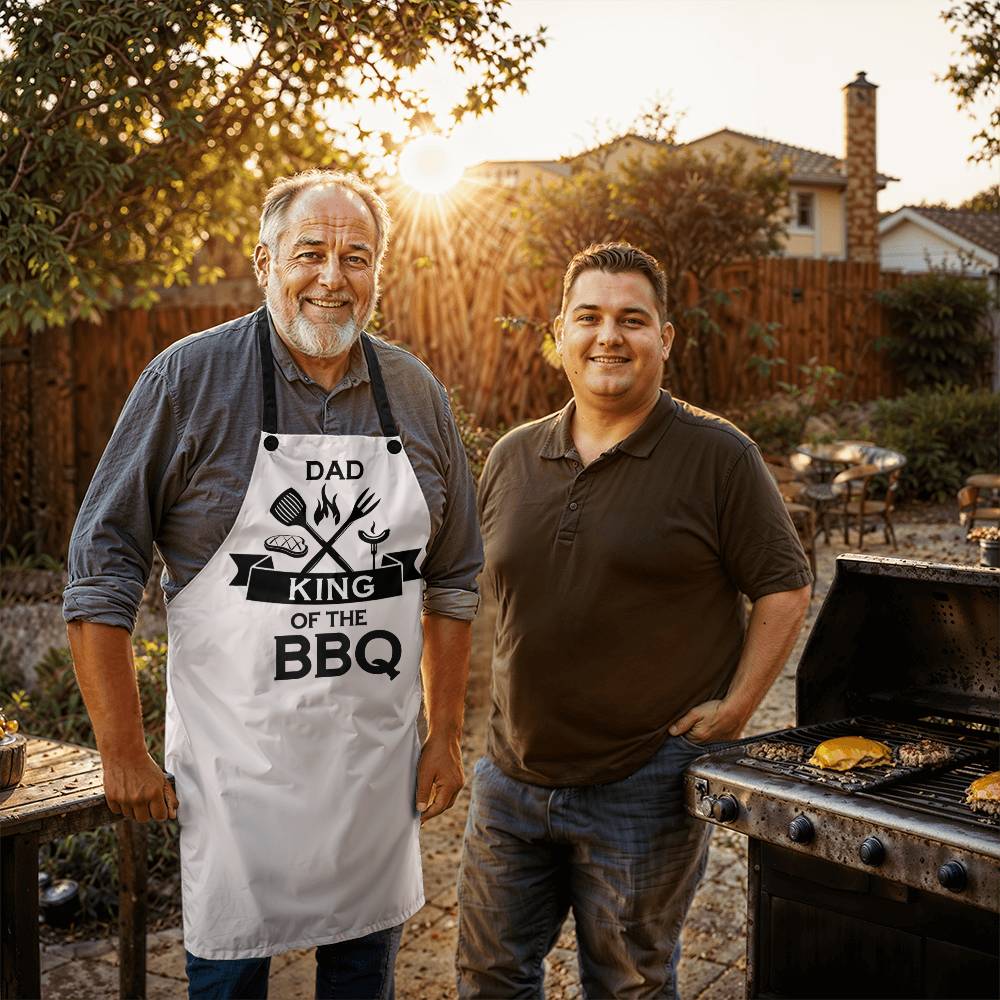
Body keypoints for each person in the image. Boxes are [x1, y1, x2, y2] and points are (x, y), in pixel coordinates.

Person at [64, 169, 483, 999]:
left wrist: (444, 733)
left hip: (369, 778)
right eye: (311, 253)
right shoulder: (187, 382)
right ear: (264, 263)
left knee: (363, 976)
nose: (333, 278)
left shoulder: (415, 393)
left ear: (378, 274)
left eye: (356, 257)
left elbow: (454, 574)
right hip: (237, 781)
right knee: (227, 981)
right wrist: (122, 749)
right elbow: (102, 563)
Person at [456, 242, 812, 999]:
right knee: (489, 978)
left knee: (628, 985)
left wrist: (739, 706)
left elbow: (785, 586)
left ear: (665, 339)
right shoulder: (514, 457)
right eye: (588, 317)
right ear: (559, 335)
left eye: (631, 319)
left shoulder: (718, 456)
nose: (608, 336)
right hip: (510, 778)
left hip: (642, 783)